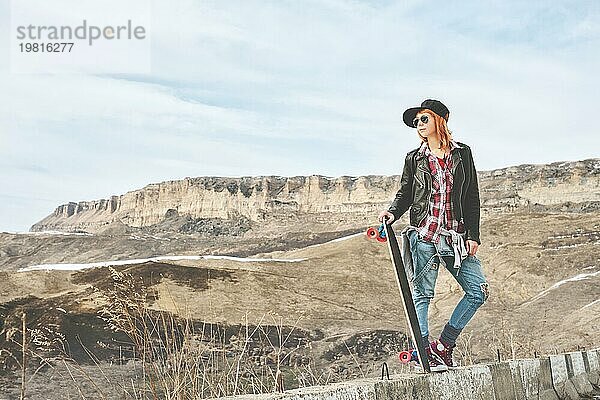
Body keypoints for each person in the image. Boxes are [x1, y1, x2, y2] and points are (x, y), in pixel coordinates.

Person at [378, 99, 489, 372]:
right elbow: (405, 193)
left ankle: (443, 346)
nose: (419, 125)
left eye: (423, 119)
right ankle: (422, 352)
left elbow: (472, 196)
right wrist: (392, 213)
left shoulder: (462, 154)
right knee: (423, 294)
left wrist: (473, 235)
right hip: (424, 235)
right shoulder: (413, 158)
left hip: (455, 238)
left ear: (440, 119)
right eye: (416, 122)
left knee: (478, 291)